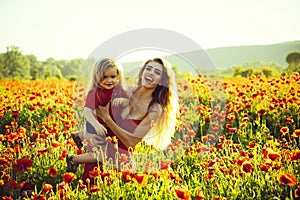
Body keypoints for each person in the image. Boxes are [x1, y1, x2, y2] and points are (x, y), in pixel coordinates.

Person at [67, 57, 178, 184]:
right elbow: (96, 107)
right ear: (142, 72)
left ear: (162, 81)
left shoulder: (155, 109)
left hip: (119, 161)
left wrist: (108, 119)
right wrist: (88, 133)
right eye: (148, 68)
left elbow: (131, 142)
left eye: (157, 72)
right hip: (98, 153)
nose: (151, 73)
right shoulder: (124, 90)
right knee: (90, 190)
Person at [67, 58, 128, 172]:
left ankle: (80, 135)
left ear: (118, 77)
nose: (109, 80)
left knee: (107, 155)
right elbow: (87, 111)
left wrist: (123, 101)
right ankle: (74, 159)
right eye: (104, 77)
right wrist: (96, 125)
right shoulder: (95, 93)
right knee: (100, 155)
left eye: (112, 77)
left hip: (106, 128)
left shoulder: (119, 91)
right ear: (96, 77)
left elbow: (129, 102)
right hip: (95, 127)